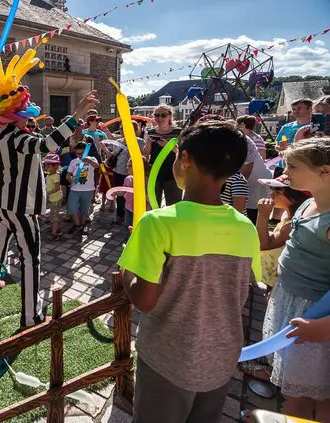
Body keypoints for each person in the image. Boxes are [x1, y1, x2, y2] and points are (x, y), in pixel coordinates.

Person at [118, 121, 260, 423]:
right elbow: (238, 291)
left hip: (168, 359)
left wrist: (125, 270)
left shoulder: (157, 223)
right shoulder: (245, 226)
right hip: (222, 358)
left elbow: (144, 301)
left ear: (185, 159)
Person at [0, 90, 98, 328]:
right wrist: (76, 115)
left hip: (1, 204)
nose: (28, 119)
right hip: (22, 208)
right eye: (24, 115)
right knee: (31, 260)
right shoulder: (20, 139)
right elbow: (48, 144)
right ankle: (30, 317)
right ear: (15, 117)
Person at [261, 137, 330, 421]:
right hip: (292, 301)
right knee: (301, 390)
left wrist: (324, 325)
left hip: (315, 315)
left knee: (319, 395)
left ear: (324, 171)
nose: (285, 173)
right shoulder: (307, 205)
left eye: (292, 166)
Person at [256, 175, 310, 294]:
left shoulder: (292, 224)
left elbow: (264, 243)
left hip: (276, 281)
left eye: (278, 191)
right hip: (271, 277)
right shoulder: (286, 215)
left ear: (294, 197)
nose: (272, 194)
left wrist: (263, 216)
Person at [142, 105, 182, 206]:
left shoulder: (178, 132)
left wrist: (168, 146)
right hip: (155, 174)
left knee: (173, 206)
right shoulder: (151, 132)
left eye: (163, 115)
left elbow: (182, 153)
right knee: (154, 204)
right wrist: (148, 143)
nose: (159, 118)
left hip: (173, 174)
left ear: (170, 116)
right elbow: (146, 153)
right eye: (156, 115)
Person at [111, 120, 145, 224]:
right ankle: (120, 215)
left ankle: (132, 216)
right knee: (120, 195)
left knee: (132, 195)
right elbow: (114, 155)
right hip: (119, 171)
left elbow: (143, 155)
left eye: (124, 128)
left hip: (133, 174)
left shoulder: (140, 141)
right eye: (121, 128)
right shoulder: (120, 141)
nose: (122, 131)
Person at [274, 99, 313, 177]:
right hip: (282, 165)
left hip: (302, 167)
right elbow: (277, 146)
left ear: (310, 109)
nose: (295, 111)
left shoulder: (315, 127)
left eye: (299, 108)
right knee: (277, 189)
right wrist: (281, 148)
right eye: (293, 109)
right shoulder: (286, 127)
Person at [66, 141, 99, 234]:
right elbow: (69, 174)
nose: (79, 155)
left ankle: (82, 225)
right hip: (75, 189)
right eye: (77, 153)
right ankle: (77, 224)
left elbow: (96, 166)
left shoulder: (92, 159)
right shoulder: (73, 161)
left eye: (81, 153)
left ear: (86, 151)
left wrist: (88, 160)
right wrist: (69, 178)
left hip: (88, 189)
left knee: (84, 209)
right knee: (71, 208)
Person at [122, 157, 150, 241]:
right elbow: (124, 192)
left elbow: (149, 197)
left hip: (139, 209)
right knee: (130, 227)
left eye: (129, 165)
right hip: (131, 208)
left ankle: (133, 244)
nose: (127, 167)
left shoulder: (145, 179)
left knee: (134, 227)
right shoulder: (128, 179)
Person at [43, 154, 63, 241]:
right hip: (53, 199)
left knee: (54, 216)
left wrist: (48, 193)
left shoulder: (55, 175)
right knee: (53, 215)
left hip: (56, 199)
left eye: (48, 165)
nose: (46, 167)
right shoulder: (49, 175)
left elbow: (57, 187)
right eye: (45, 165)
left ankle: (54, 233)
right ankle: (57, 229)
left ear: (56, 166)